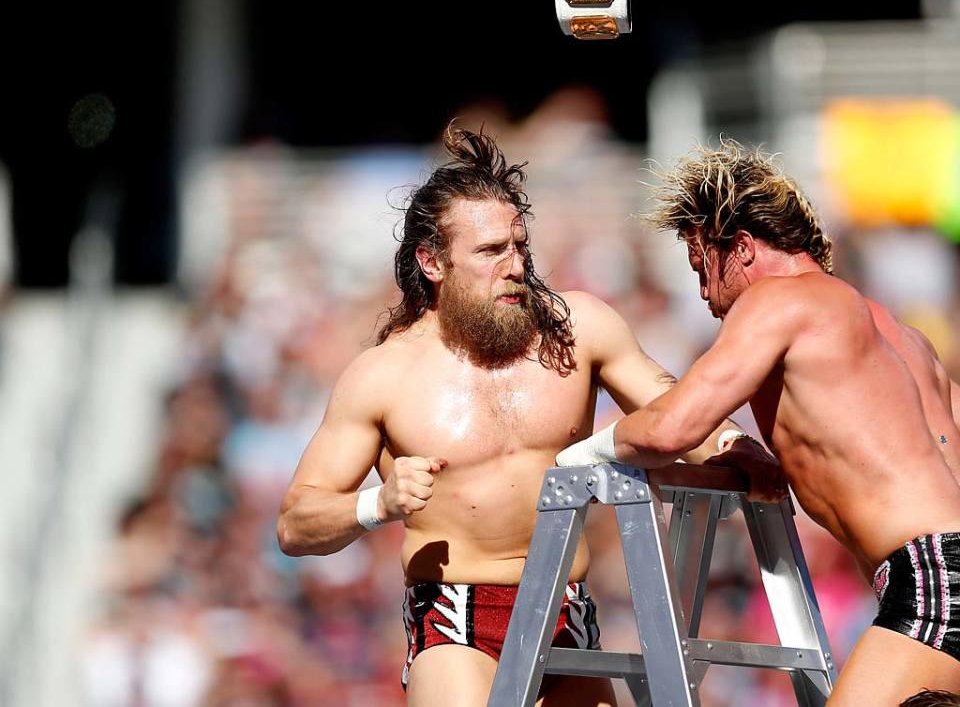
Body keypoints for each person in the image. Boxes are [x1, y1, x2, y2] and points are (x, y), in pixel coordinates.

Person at [276, 129, 781, 706]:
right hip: (458, 618)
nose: (515, 265)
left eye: (519, 245)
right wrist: (378, 504)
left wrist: (737, 449)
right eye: (491, 251)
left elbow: (678, 408)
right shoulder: (382, 375)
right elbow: (295, 525)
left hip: (569, 611)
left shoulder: (578, 327)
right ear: (432, 262)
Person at [557, 140, 960, 706]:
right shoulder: (898, 333)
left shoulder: (779, 301)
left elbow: (671, 428)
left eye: (702, 268)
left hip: (941, 577)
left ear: (742, 248)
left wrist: (577, 457)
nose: (705, 295)